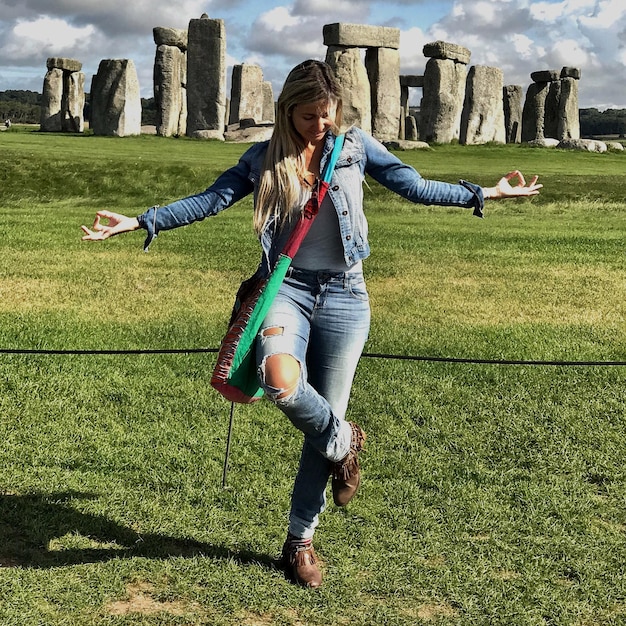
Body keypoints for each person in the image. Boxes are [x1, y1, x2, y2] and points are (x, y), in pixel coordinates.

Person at [81, 59, 542, 588]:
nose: (319, 126)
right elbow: (211, 200)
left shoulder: (355, 148)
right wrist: (142, 219)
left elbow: (414, 186)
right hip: (288, 288)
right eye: (308, 118)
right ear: (286, 111)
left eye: (327, 116)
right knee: (282, 383)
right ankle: (346, 442)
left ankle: (301, 538)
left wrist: (487, 193)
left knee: (318, 426)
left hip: (347, 294)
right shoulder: (262, 159)